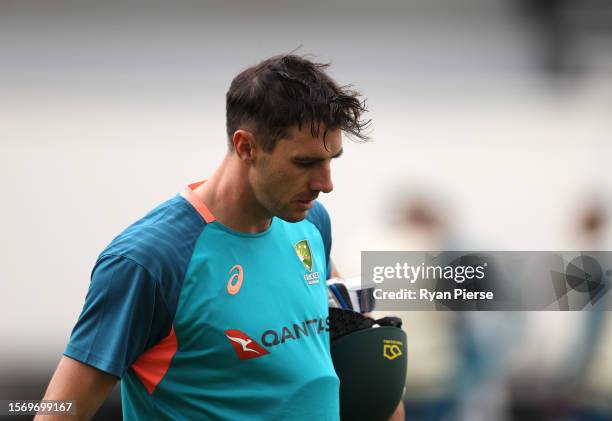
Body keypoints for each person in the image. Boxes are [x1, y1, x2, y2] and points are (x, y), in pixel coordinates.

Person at [36, 54, 374, 420]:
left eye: (331, 160)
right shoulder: (149, 260)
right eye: (305, 163)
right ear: (246, 146)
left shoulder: (310, 223)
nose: (326, 184)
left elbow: (326, 351)